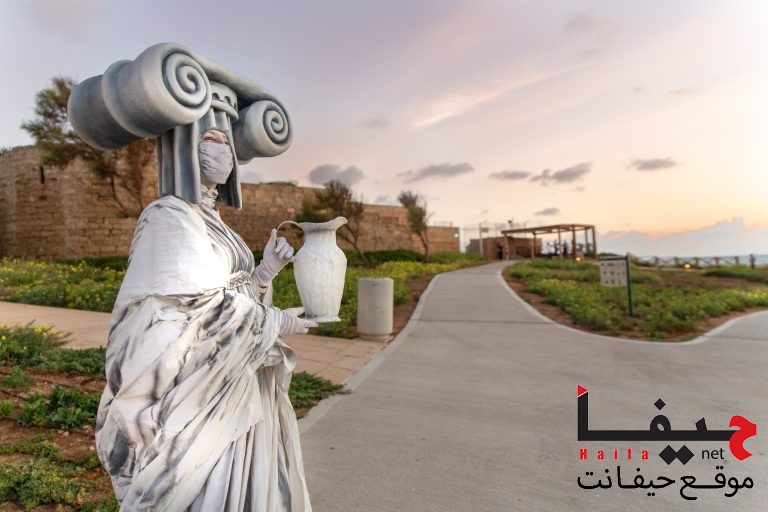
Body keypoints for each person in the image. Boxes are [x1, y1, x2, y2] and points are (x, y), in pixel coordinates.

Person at [95, 128, 317, 511]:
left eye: (226, 143)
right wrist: (274, 322)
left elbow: (231, 291)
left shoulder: (214, 219)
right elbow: (194, 309)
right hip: (197, 387)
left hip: (237, 377)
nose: (223, 151)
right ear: (183, 149)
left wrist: (265, 272)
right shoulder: (167, 216)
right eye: (210, 141)